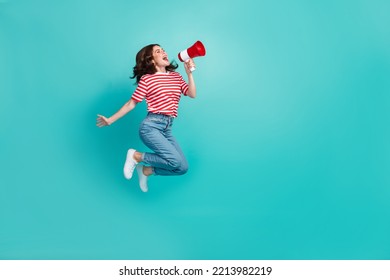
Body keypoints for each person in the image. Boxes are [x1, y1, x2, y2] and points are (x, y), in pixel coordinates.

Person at [96, 44, 196, 192]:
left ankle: (146, 171)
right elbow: (132, 103)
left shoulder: (176, 76)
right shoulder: (147, 80)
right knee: (174, 160)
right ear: (152, 60)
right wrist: (110, 120)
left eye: (163, 50)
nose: (163, 52)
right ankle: (136, 156)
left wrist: (189, 74)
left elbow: (192, 94)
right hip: (151, 127)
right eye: (158, 51)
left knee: (182, 167)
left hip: (167, 128)